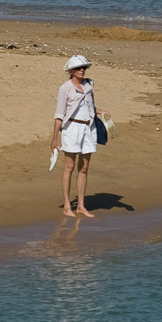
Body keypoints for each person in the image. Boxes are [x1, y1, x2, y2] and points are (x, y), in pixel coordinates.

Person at [52, 54, 103, 219]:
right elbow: (59, 115)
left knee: (84, 167)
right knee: (70, 166)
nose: (82, 70)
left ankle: (81, 205)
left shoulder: (89, 84)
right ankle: (67, 205)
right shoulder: (65, 88)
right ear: (72, 70)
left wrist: (100, 111)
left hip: (89, 128)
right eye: (78, 68)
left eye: (84, 68)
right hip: (71, 128)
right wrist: (54, 139)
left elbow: (89, 105)